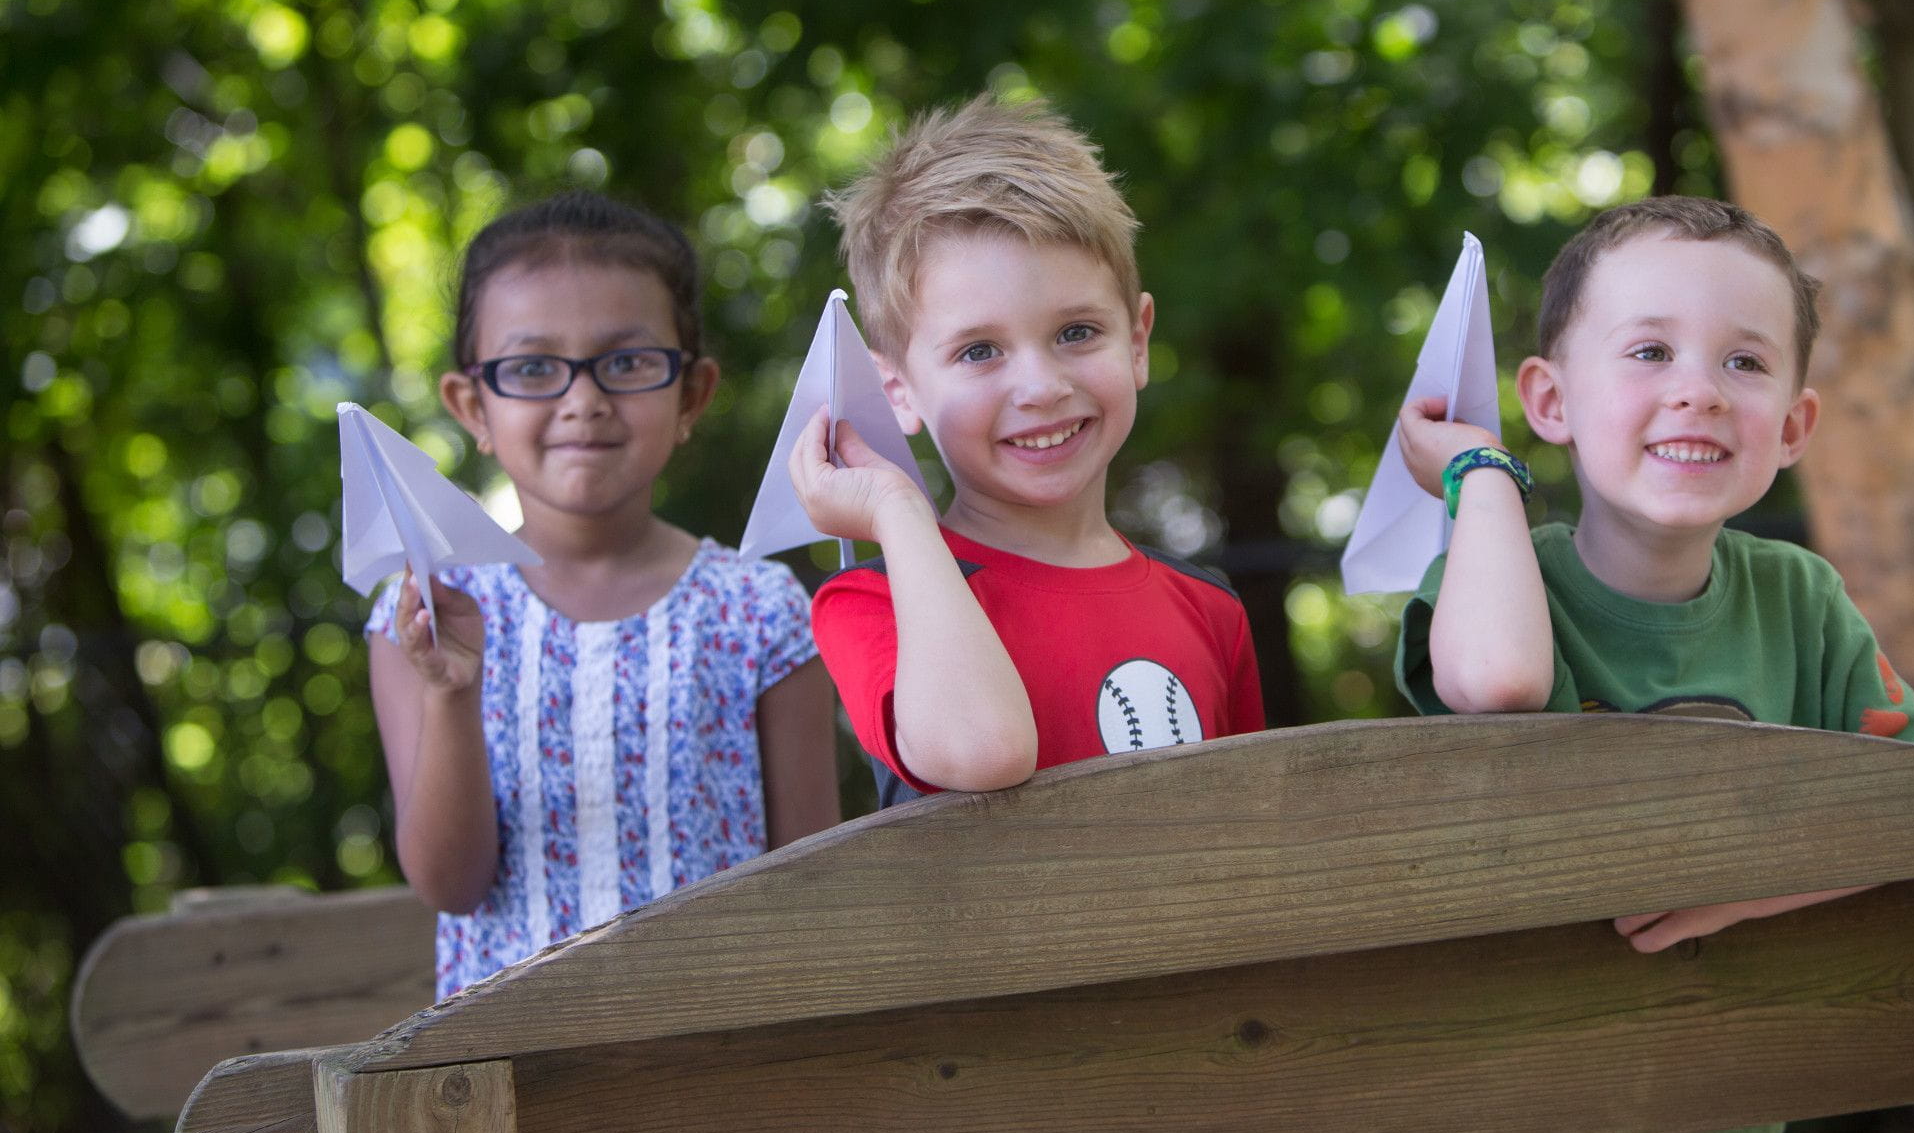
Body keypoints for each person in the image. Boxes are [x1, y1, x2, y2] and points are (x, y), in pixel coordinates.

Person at [1394, 195, 1914, 1133]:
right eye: (1648, 353)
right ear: (1549, 401)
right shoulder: (1501, 579)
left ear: (1791, 425)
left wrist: (1742, 889)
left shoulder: (1798, 599)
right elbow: (1499, 680)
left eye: (1742, 361)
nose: (1697, 390)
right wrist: (1479, 473)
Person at [366, 191, 839, 999]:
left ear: (691, 395)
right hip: (503, 1088)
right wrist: (452, 693)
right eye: (533, 368)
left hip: (721, 1067)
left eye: (625, 363)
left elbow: (813, 888)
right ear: (473, 405)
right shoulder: (424, 611)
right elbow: (451, 884)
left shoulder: (760, 611)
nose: (582, 399)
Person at [788, 94, 1264, 797]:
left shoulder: (1210, 608)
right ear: (898, 389)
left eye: (1076, 332)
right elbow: (983, 750)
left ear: (1137, 340)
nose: (1040, 386)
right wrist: (897, 510)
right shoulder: (870, 600)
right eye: (980, 350)